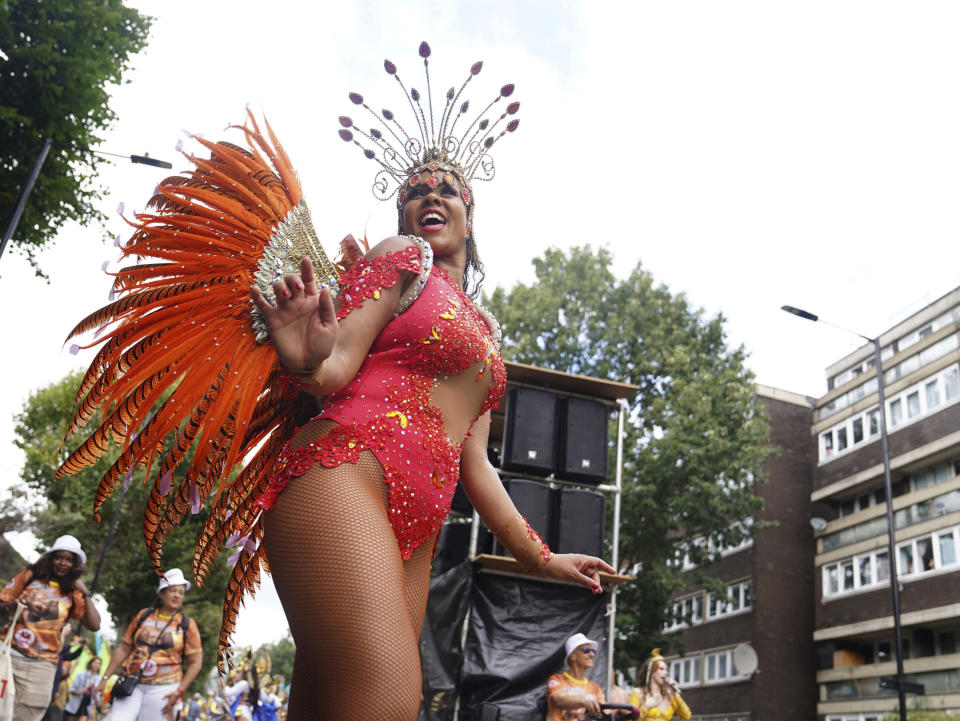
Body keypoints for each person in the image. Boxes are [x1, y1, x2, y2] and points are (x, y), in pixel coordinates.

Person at [58, 42, 614, 721]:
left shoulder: (488, 332)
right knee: (385, 700)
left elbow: (477, 464)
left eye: (445, 188)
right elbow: (334, 367)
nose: (428, 196)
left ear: (470, 208)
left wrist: (542, 557)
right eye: (415, 191)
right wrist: (305, 352)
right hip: (346, 473)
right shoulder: (402, 261)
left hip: (417, 528)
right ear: (403, 213)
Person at [0, 535, 101, 721]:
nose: (63, 563)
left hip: (41, 666)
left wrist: (84, 591)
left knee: (26, 716)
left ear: (75, 564)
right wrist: (9, 607)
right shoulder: (30, 577)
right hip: (8, 655)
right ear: (50, 558)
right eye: (58, 557)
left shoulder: (73, 593)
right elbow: (2, 603)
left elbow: (94, 624)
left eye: (69, 559)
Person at [96, 569, 202, 721]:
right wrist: (105, 678)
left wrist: (179, 691)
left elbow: (196, 663)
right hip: (133, 681)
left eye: (181, 592)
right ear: (162, 593)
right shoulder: (143, 615)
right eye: (172, 590)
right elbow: (124, 648)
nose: (177, 595)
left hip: (165, 686)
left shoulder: (187, 624)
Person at [545, 633, 606, 721]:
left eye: (593, 651)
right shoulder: (557, 680)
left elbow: (605, 711)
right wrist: (584, 700)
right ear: (573, 656)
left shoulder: (595, 688)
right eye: (586, 650)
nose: (592, 654)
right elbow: (557, 699)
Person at [628, 650, 691, 721]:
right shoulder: (638, 693)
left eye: (667, 670)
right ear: (651, 671)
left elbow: (687, 716)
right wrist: (646, 706)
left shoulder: (670, 695)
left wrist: (675, 693)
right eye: (661, 669)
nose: (666, 672)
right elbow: (630, 719)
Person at [65, 656, 102, 721]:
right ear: (90, 663)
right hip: (75, 704)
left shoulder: (99, 679)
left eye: (99, 663)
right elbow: (71, 690)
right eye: (95, 662)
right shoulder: (81, 674)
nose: (96, 665)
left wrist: (93, 710)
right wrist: (81, 692)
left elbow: (97, 696)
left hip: (87, 706)